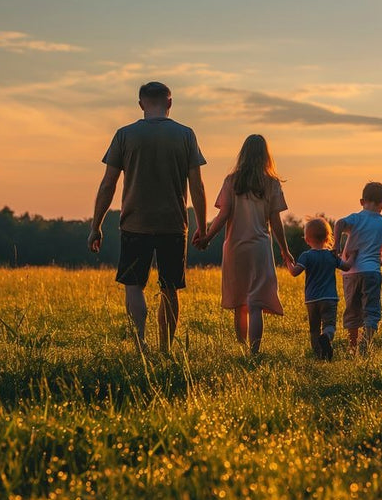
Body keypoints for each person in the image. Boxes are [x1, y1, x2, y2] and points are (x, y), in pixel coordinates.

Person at [88, 81, 207, 354]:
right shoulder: (186, 135)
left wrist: (96, 226)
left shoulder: (124, 135)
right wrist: (202, 226)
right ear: (170, 103)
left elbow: (108, 184)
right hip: (174, 224)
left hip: (134, 223)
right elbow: (197, 186)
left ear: (141, 104)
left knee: (133, 284)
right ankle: (165, 349)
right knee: (170, 287)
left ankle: (141, 343)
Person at [198, 134, 293, 354]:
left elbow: (223, 215)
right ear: (265, 156)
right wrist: (284, 250)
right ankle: (254, 352)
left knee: (240, 302)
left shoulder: (232, 180)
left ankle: (241, 348)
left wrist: (206, 237)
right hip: (259, 247)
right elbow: (276, 221)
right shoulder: (271, 183)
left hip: (235, 247)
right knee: (256, 303)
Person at [333, 182, 382, 355]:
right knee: (371, 310)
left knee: (352, 309)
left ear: (362, 201)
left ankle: (353, 346)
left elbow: (338, 223)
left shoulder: (356, 218)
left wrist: (336, 245)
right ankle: (366, 343)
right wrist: (381, 262)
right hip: (372, 272)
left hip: (350, 272)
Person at [287, 217, 354, 359]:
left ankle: (319, 355)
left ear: (306, 239)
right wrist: (353, 256)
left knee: (314, 329)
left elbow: (294, 272)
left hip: (311, 300)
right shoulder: (331, 256)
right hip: (329, 298)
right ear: (327, 238)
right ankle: (327, 337)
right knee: (329, 325)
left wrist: (288, 261)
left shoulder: (306, 256)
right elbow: (347, 267)